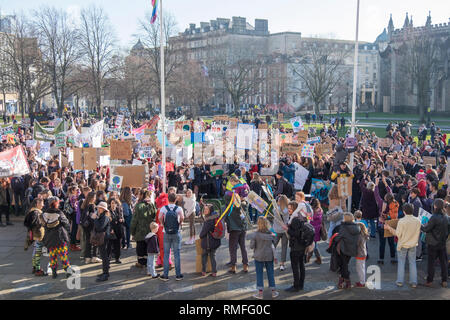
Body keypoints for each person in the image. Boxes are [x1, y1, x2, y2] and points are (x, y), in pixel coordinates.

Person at [384, 203, 421, 288]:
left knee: (401, 263)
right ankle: (414, 282)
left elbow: (397, 234)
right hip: (413, 244)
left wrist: (389, 228)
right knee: (412, 263)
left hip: (402, 244)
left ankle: (400, 281)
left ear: (404, 211)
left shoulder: (402, 221)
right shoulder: (418, 220)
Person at [41, 197, 72, 279]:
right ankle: (68, 271)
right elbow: (66, 223)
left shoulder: (44, 214)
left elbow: (42, 225)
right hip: (60, 238)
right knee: (63, 255)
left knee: (52, 256)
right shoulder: (59, 212)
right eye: (58, 202)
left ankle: (54, 272)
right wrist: (68, 232)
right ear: (56, 203)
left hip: (49, 239)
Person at [248, 216, 279, 299]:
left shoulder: (255, 234)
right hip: (269, 256)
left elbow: (251, 246)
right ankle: (273, 292)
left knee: (259, 274)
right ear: (267, 223)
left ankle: (260, 293)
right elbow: (275, 242)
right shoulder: (271, 233)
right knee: (270, 273)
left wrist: (253, 239)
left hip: (258, 256)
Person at [421, 199, 449, 288]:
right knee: (443, 262)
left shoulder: (434, 217)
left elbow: (426, 229)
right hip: (442, 243)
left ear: (435, 206)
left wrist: (420, 223)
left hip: (433, 243)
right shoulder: (446, 217)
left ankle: (429, 280)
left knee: (431, 263)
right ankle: (444, 280)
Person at [158, 192, 184, 281]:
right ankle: (178, 275)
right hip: (176, 232)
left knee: (166, 254)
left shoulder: (164, 208)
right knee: (177, 254)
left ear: (168, 199)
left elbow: (160, 217)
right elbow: (182, 217)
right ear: (175, 199)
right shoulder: (179, 208)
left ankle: (165, 275)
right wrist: (179, 223)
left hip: (166, 232)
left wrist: (163, 224)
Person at [224, 187, 249, 274]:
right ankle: (245, 265)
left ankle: (233, 267)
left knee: (233, 248)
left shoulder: (234, 205)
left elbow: (226, 197)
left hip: (235, 229)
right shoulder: (245, 203)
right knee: (243, 247)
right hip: (243, 228)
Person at [131, 190, 157, 268]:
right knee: (147, 247)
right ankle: (147, 262)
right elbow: (154, 215)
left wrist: (132, 231)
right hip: (149, 230)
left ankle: (141, 263)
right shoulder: (151, 205)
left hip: (140, 230)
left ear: (142, 195)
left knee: (140, 246)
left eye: (139, 194)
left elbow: (134, 220)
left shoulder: (138, 206)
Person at [334, 213, 361, 289]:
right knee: (345, 264)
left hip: (344, 249)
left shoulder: (343, 227)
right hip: (352, 249)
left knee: (344, 266)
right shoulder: (357, 227)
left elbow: (338, 237)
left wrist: (335, 237)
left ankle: (347, 281)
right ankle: (343, 281)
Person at [285, 201, 306, 292]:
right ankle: (300, 285)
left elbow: (296, 234)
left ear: (294, 209)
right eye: (288, 208)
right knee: (301, 265)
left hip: (296, 247)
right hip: (301, 246)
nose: (289, 210)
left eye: (290, 209)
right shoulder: (298, 217)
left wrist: (287, 229)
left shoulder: (295, 219)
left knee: (296, 267)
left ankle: (296, 286)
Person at [25, 198, 47, 276]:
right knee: (38, 252)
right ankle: (38, 269)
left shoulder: (32, 211)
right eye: (41, 203)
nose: (43, 205)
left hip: (36, 235)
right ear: (37, 204)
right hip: (38, 235)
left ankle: (34, 267)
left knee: (35, 252)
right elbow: (33, 223)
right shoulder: (36, 212)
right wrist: (40, 224)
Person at [199, 204, 220, 277]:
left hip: (208, 242)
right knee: (212, 256)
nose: (204, 211)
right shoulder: (214, 217)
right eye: (204, 209)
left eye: (206, 209)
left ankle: (204, 271)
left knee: (204, 256)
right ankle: (214, 272)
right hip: (214, 241)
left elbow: (203, 232)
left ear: (210, 211)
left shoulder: (208, 220)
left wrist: (200, 236)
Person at [80, 191, 101, 264]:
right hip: (91, 226)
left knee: (88, 242)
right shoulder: (91, 205)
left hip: (86, 226)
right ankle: (94, 257)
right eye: (94, 197)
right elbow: (92, 217)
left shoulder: (84, 204)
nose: (95, 198)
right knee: (95, 241)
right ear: (92, 198)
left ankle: (87, 258)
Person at [94, 202, 112, 282]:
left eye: (99, 208)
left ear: (103, 209)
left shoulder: (105, 217)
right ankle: (105, 272)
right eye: (98, 208)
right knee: (103, 255)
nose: (98, 209)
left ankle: (105, 273)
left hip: (104, 239)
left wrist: (95, 219)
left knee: (104, 256)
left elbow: (100, 227)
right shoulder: (102, 216)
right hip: (102, 238)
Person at [273, 195, 289, 271]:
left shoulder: (275, 210)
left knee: (273, 245)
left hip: (276, 230)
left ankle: (270, 259)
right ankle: (282, 264)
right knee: (284, 247)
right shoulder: (288, 210)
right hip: (285, 230)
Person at [107, 198, 124, 264]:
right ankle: (108, 258)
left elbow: (123, 219)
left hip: (118, 230)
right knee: (109, 245)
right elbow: (108, 221)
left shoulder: (119, 210)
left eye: (115, 203)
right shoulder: (108, 211)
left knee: (118, 245)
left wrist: (121, 220)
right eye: (112, 203)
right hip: (111, 230)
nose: (114, 205)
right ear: (110, 204)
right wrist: (111, 229)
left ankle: (117, 258)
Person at [355, 221, 370, 288]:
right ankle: (362, 281)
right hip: (363, 253)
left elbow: (356, 244)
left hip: (360, 254)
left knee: (360, 269)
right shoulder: (363, 234)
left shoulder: (359, 236)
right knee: (361, 268)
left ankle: (362, 282)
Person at [309, 198, 323, 265]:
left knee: (313, 245)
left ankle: (318, 258)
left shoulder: (312, 211)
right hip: (318, 229)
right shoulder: (320, 210)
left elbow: (309, 218)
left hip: (312, 229)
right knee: (313, 243)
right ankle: (309, 257)